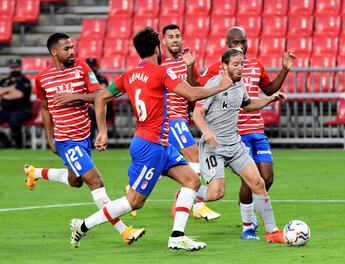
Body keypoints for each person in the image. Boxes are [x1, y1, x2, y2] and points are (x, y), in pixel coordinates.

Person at [69, 27, 232, 251]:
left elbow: (101, 98)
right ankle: (83, 225)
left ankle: (177, 236)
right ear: (157, 48)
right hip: (151, 146)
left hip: (159, 144)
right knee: (134, 201)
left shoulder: (129, 75)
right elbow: (192, 94)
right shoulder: (160, 72)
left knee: (192, 181)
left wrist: (102, 131)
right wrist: (221, 86)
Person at [24, 32, 144, 247]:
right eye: (66, 48)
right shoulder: (42, 78)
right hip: (66, 140)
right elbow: (45, 109)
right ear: (54, 52)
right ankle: (124, 230)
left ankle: (35, 172)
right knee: (95, 181)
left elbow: (100, 95)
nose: (72, 51)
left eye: (72, 47)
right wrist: (50, 138)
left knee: (75, 181)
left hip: (83, 138)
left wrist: (75, 96)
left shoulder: (81, 68)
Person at [196, 27, 296, 240]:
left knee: (259, 182)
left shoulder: (240, 84)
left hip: (234, 144)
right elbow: (197, 113)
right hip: (213, 146)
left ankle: (272, 232)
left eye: (242, 64)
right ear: (224, 66)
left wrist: (270, 99)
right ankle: (190, 194)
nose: (241, 68)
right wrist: (206, 132)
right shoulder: (213, 85)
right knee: (216, 193)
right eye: (236, 64)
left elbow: (248, 105)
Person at [161, 24, 219, 220]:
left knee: (163, 162)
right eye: (171, 37)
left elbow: (195, 89)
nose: (175, 40)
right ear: (163, 41)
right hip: (170, 119)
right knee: (194, 154)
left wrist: (190, 66)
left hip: (181, 118)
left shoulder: (186, 61)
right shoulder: (160, 65)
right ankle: (196, 203)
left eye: (178, 36)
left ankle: (133, 188)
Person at [0, 58, 32, 148]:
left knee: (14, 120)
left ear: (20, 68)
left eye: (16, 67)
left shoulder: (24, 81)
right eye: (12, 67)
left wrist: (4, 93)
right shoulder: (4, 81)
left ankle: (19, 144)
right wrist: (10, 89)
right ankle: (5, 141)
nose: (14, 69)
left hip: (22, 110)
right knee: (11, 118)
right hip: (6, 111)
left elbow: (19, 95)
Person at [85, 58, 114, 140]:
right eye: (90, 67)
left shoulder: (102, 79)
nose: (92, 69)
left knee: (92, 113)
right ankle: (89, 139)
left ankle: (100, 137)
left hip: (105, 108)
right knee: (89, 113)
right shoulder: (84, 79)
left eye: (93, 67)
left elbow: (101, 96)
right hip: (91, 107)